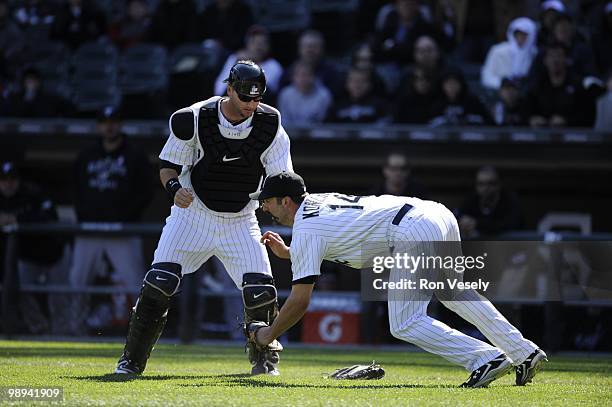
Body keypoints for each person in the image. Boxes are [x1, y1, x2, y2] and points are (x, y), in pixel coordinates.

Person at [249, 171, 547, 388]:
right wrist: (290, 253)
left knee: (405, 322)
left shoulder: (307, 228)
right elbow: (328, 237)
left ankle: (484, 358)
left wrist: (268, 334)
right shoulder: (317, 203)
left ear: (286, 201)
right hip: (436, 214)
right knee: (453, 292)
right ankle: (524, 351)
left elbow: (300, 301)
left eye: (267, 202)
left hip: (412, 229)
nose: (264, 208)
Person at [114, 60, 293, 376]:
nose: (252, 104)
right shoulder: (195, 118)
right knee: (159, 283)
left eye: (257, 97)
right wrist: (173, 189)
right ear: (229, 89)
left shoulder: (271, 127)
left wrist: (280, 206)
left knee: (261, 291)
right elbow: (167, 165)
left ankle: (264, 359)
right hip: (193, 214)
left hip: (241, 218)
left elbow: (283, 180)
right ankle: (131, 361)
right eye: (245, 97)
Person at [69, 106, 154, 335]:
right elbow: (75, 189)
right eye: (105, 122)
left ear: (120, 124)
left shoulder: (134, 155)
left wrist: (127, 216)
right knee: (77, 282)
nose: (109, 126)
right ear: (99, 126)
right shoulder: (86, 155)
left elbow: (146, 190)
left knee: (135, 283)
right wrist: (84, 216)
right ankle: (73, 331)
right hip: (89, 230)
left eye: (114, 121)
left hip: (123, 231)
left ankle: (141, 334)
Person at [0, 161, 68, 334]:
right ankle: (40, 327)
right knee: (20, 290)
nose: (8, 183)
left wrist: (17, 219)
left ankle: (62, 333)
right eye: (4, 180)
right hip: (27, 257)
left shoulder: (32, 193)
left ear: (18, 180)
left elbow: (50, 216)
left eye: (12, 179)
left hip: (54, 254)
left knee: (59, 297)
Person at [214, 25, 283, 99]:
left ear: (269, 46)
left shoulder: (274, 65)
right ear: (247, 45)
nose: (258, 46)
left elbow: (261, 92)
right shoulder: (235, 58)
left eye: (262, 42)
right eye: (254, 42)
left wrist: (246, 65)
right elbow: (219, 90)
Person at [456, 166, 522, 239]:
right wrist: (463, 222)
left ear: (499, 185)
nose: (485, 188)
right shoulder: (472, 199)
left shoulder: (510, 201)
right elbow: (458, 215)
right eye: (481, 184)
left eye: (491, 184)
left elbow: (511, 224)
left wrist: (477, 224)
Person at [481, 17, 537, 90]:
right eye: (518, 34)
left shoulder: (535, 54)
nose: (520, 37)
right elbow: (487, 76)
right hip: (499, 91)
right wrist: (506, 86)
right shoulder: (498, 51)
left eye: (524, 34)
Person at [277, 62, 332, 127]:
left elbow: (322, 121)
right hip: (290, 132)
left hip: (317, 133)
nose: (303, 79)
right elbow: (284, 121)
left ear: (314, 77)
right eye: (299, 75)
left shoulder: (324, 95)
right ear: (293, 78)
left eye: (307, 75)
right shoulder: (285, 94)